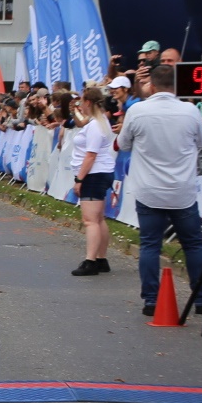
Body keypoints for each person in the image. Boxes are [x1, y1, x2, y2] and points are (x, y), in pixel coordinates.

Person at [117, 64, 202, 316]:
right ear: (176, 86)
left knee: (150, 245)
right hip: (182, 190)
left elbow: (123, 144)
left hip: (149, 188)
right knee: (193, 245)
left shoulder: (137, 110)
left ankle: (151, 300)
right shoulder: (190, 110)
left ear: (151, 86)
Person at [69, 85, 118, 277]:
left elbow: (91, 155)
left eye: (82, 101)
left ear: (88, 102)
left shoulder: (96, 125)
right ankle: (101, 258)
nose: (81, 105)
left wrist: (79, 179)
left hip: (94, 174)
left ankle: (91, 261)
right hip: (100, 172)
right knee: (98, 218)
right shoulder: (99, 121)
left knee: (90, 221)